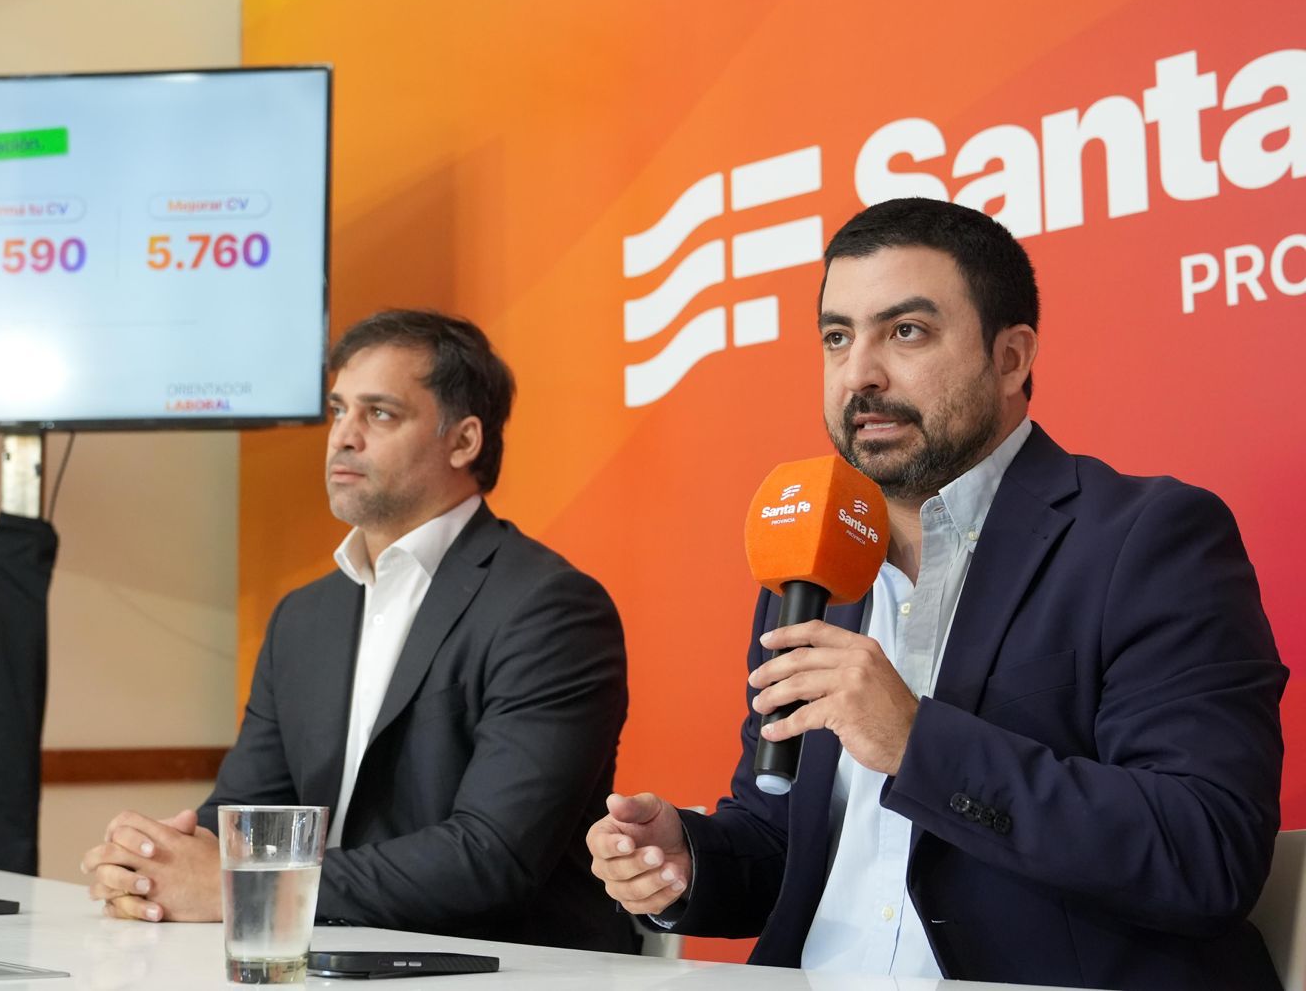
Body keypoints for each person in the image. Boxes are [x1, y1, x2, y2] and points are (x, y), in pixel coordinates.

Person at [587, 197, 1287, 989]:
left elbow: (1204, 852)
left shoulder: (1147, 539)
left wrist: (918, 744)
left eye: (906, 331)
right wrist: (688, 861)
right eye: (838, 337)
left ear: (1011, 358)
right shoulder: (811, 572)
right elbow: (782, 839)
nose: (860, 374)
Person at [83, 309, 635, 953]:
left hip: (505, 966)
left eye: (379, 414)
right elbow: (247, 815)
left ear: (463, 442)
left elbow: (492, 856)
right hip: (319, 956)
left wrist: (248, 886)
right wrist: (153, 864)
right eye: (338, 409)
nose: (343, 436)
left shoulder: (549, 607)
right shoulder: (303, 617)